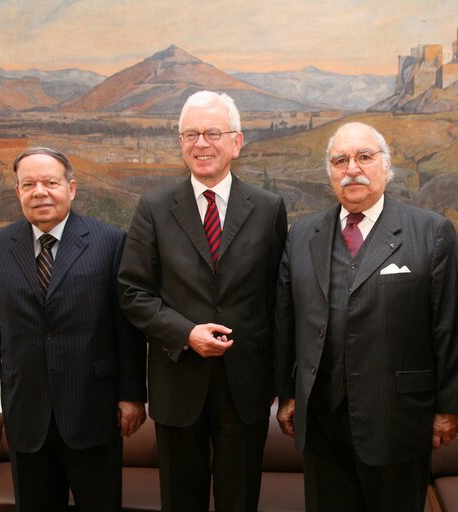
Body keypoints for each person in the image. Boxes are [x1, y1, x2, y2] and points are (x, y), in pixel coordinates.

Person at [274, 122, 458, 511]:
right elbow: (286, 319)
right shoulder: (302, 234)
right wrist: (288, 393)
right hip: (322, 423)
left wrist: (449, 408)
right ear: (330, 172)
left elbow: (450, 326)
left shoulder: (430, 232)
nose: (352, 169)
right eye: (340, 160)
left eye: (364, 157)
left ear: (386, 165)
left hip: (397, 420)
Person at [117, 90, 287, 512]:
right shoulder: (154, 208)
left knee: (240, 500)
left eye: (212, 132)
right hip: (178, 380)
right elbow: (132, 291)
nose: (201, 144)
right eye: (190, 134)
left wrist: (282, 385)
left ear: (237, 142)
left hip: (245, 385)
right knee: (180, 500)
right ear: (180, 143)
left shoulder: (268, 208)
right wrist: (185, 333)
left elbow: (279, 299)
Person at [0, 147, 147, 512]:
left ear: (71, 188)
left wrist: (132, 395)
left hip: (92, 409)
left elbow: (126, 329)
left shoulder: (110, 242)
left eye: (50, 182)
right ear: (17, 191)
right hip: (26, 412)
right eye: (28, 184)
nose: (40, 192)